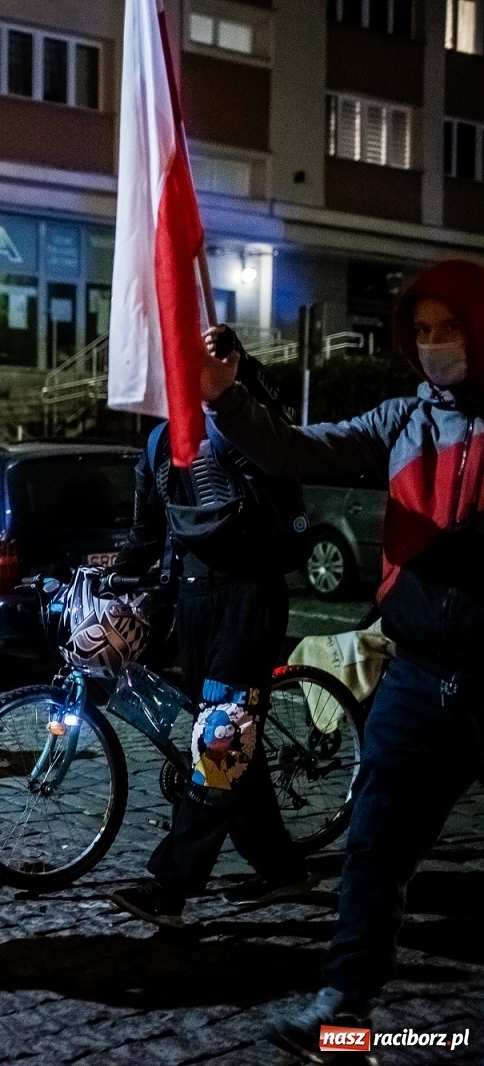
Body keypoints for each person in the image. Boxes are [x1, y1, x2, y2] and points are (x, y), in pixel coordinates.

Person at [196, 259, 484, 1064]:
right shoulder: (402, 420)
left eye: (450, 328)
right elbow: (293, 449)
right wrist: (224, 396)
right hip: (418, 676)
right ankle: (343, 1018)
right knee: (375, 846)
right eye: (422, 331)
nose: (434, 344)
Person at [108, 340, 316, 929]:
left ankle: (171, 885)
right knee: (234, 742)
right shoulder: (158, 444)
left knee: (221, 740)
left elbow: (282, 485)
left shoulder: (246, 429)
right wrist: (110, 572)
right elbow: (148, 535)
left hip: (250, 596)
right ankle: (281, 868)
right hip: (195, 602)